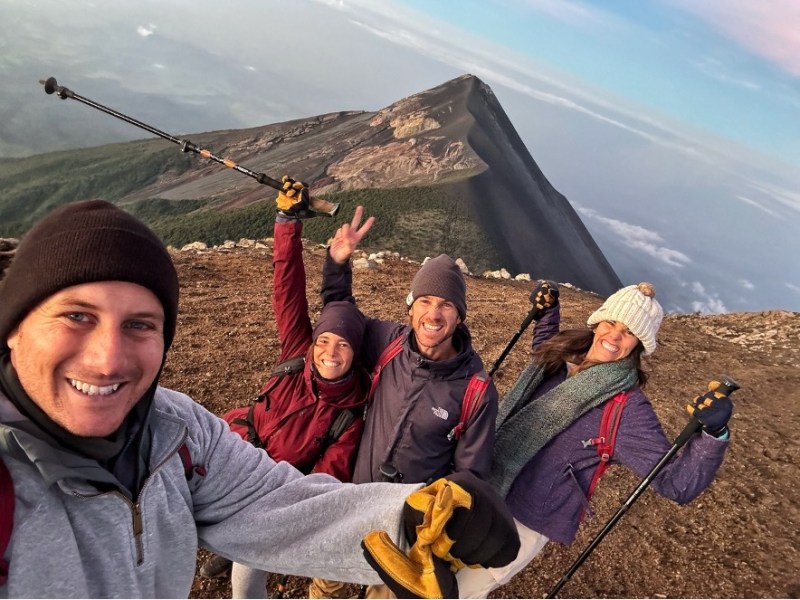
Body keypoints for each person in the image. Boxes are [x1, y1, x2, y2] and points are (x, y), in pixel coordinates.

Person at [0, 199, 518, 599]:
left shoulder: (178, 434)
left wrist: (412, 516)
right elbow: (319, 303)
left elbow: (273, 501)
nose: (108, 359)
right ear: (13, 327)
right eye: (76, 316)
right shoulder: (371, 348)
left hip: (336, 499)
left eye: (139, 324)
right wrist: (317, 248)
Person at [455, 280, 735, 598]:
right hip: (479, 484)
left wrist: (714, 433)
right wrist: (548, 313)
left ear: (639, 345)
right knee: (425, 569)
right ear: (598, 321)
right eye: (612, 322)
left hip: (521, 522)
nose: (615, 336)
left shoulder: (626, 409)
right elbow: (543, 363)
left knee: (454, 593)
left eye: (629, 332)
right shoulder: (560, 359)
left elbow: (676, 484)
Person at [196, 179, 371, 598]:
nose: (330, 352)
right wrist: (286, 221)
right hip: (233, 448)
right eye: (324, 341)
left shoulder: (350, 415)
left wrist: (276, 516)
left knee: (248, 561)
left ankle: (236, 540)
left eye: (343, 345)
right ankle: (225, 533)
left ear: (355, 354)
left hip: (271, 488)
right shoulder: (299, 353)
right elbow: (286, 287)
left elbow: (327, 477)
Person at [316, 208, 500, 599]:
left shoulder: (476, 391)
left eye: (446, 305)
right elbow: (340, 314)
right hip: (353, 501)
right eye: (426, 301)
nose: (434, 314)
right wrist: (338, 263)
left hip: (405, 530)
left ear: (460, 316)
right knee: (325, 582)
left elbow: (470, 476)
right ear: (411, 306)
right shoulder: (388, 343)